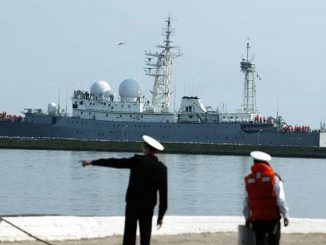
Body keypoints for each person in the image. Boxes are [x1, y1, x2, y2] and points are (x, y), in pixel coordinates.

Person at [81, 135, 168, 245]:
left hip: (132, 204)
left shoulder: (137, 161)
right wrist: (160, 216)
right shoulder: (162, 168)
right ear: (156, 151)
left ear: (145, 148)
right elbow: (163, 196)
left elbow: (115, 162)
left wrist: (92, 162)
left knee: (129, 236)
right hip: (148, 207)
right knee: (145, 237)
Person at [243, 151, 289, 245]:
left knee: (260, 242)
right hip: (272, 219)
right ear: (267, 163)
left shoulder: (249, 179)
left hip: (257, 219)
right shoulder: (274, 178)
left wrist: (247, 218)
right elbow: (281, 200)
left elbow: (246, 202)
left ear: (254, 163)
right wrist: (285, 216)